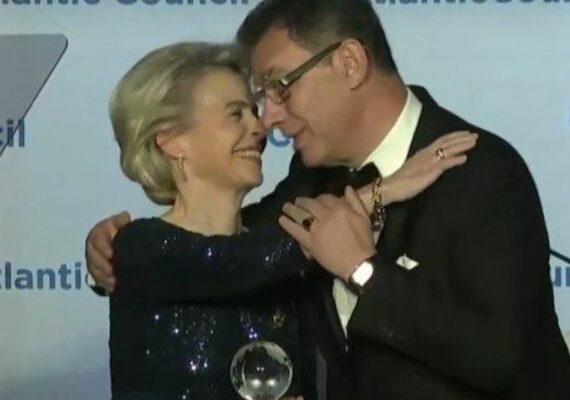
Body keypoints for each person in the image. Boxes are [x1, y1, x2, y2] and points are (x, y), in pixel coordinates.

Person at [86, 0, 570, 399]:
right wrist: (115, 251)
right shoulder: (313, 178)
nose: (268, 119)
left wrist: (363, 270)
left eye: (280, 87)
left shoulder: (478, 173)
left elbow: (498, 358)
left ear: (350, 63)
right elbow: (230, 244)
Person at [102, 40, 474, 400]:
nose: (259, 127)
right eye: (236, 114)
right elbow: (239, 262)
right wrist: (384, 190)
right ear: (172, 141)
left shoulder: (279, 248)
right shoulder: (139, 248)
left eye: (253, 111)